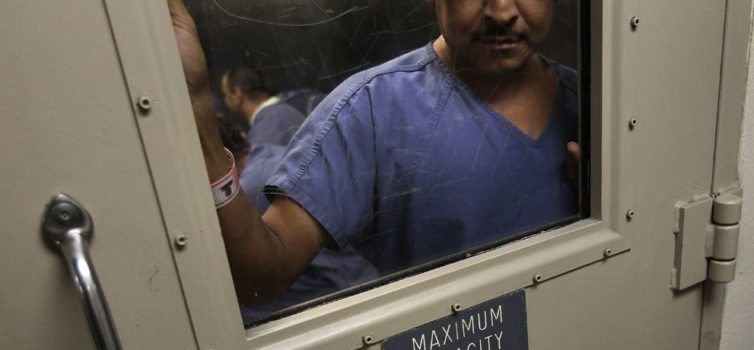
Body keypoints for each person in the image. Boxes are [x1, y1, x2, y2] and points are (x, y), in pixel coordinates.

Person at [169, 0, 580, 307]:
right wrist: (194, 105)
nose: (502, 11)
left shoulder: (594, 105)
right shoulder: (372, 111)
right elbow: (261, 277)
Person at [218, 67, 378, 324]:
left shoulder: (252, 184)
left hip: (344, 290)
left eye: (225, 94)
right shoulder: (268, 147)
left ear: (237, 94)